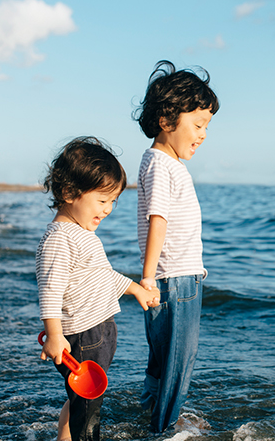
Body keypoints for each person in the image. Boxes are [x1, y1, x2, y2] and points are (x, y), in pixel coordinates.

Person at [36, 136, 160, 441]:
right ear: (69, 193)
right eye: (102, 200)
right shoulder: (60, 238)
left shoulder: (80, 234)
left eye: (113, 202)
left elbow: (101, 276)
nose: (108, 210)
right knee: (88, 405)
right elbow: (50, 291)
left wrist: (134, 288)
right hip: (82, 334)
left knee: (81, 398)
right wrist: (54, 334)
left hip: (98, 330)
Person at [132, 60, 220, 432]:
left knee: (162, 358)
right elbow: (158, 219)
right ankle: (167, 428)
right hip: (176, 282)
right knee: (177, 362)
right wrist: (149, 277)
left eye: (207, 127)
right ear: (167, 120)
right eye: (197, 124)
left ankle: (155, 414)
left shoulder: (161, 162)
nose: (202, 134)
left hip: (175, 280)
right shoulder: (162, 165)